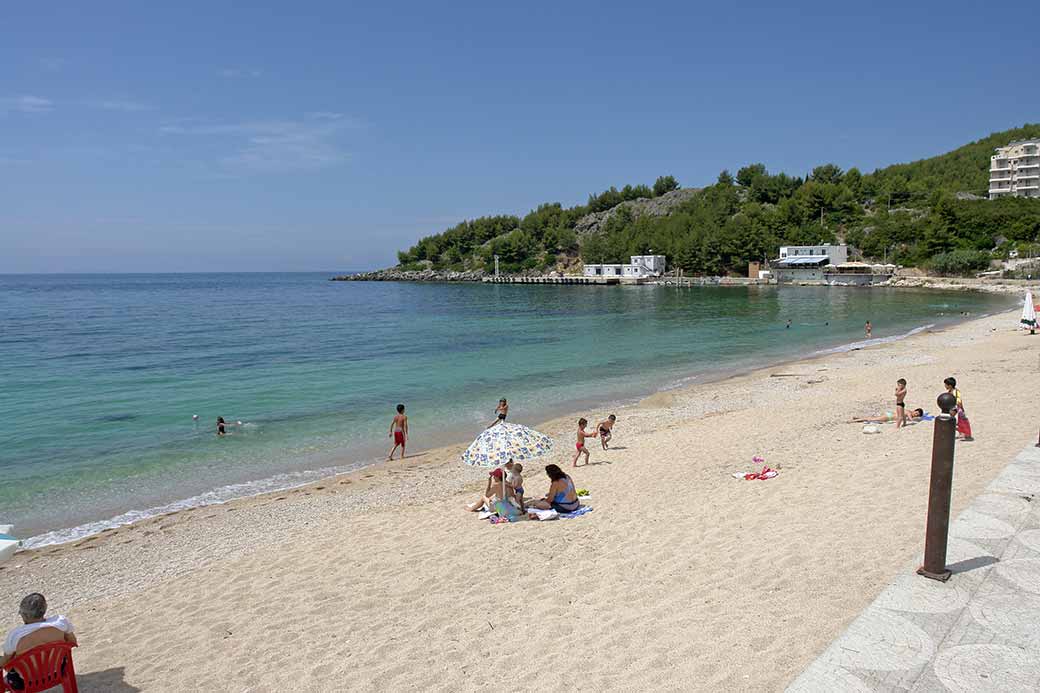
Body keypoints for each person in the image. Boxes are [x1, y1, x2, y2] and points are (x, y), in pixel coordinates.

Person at [1, 593, 77, 676]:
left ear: (24, 615)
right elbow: (72, 642)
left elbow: (5, 662)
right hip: (58, 671)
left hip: (25, 681)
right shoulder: (60, 622)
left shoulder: (16, 635)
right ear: (45, 609)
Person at [851, 408, 924, 424]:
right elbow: (911, 419)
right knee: (870, 420)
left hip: (889, 416)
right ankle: (854, 421)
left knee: (871, 418)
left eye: (917, 415)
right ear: (914, 410)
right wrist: (917, 421)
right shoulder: (909, 412)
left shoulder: (908, 412)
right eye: (916, 413)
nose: (915, 414)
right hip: (889, 417)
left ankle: (857, 418)